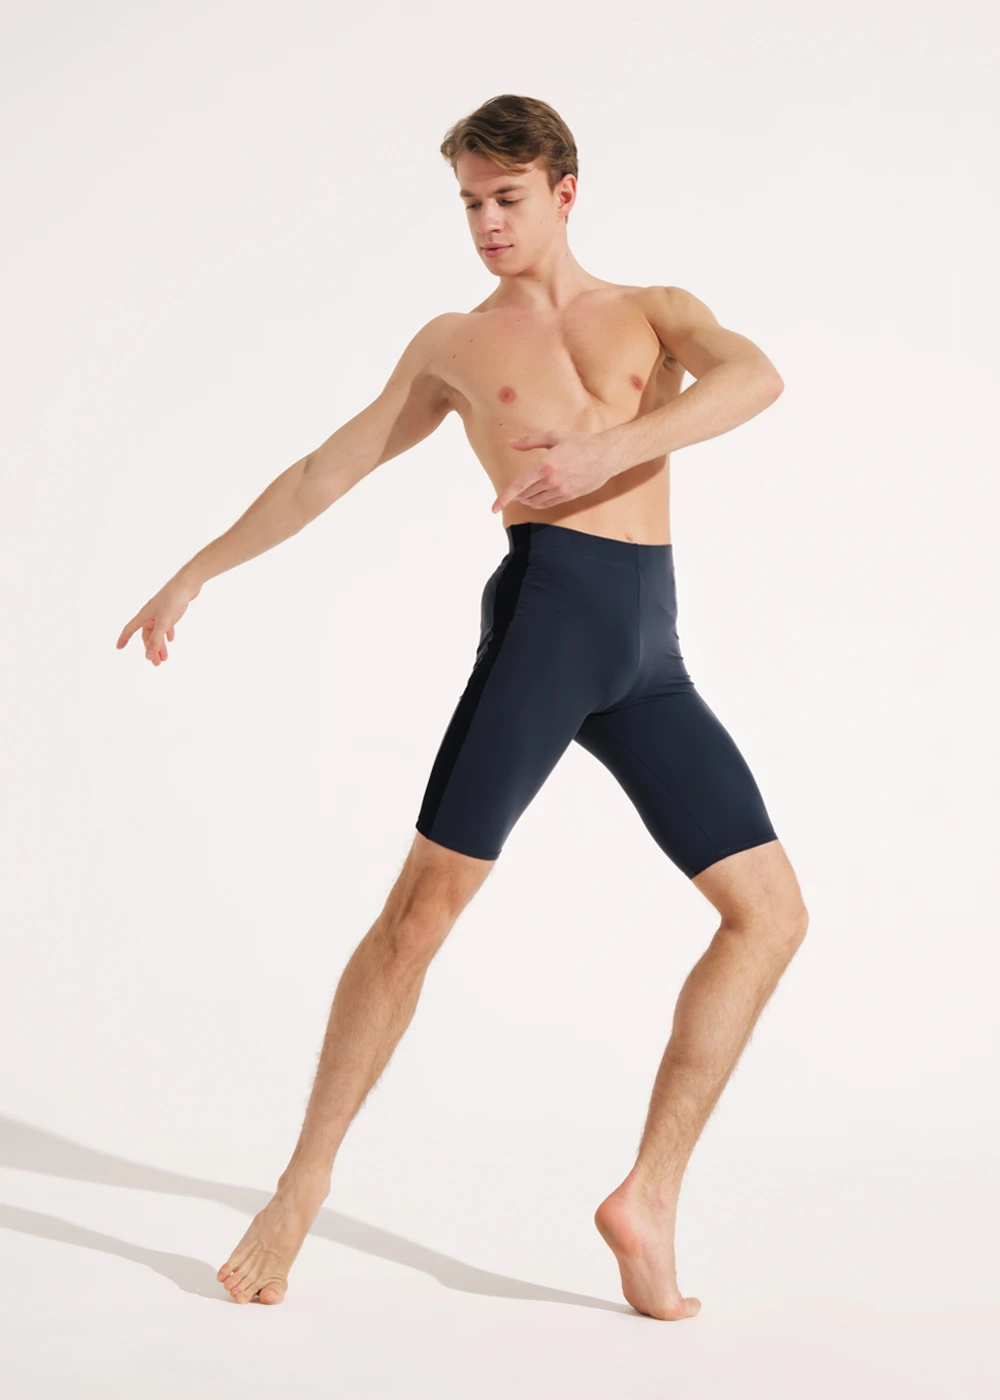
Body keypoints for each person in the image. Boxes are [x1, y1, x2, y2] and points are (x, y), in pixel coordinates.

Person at [116, 93, 808, 1321]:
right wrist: (196, 569)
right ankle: (301, 1184)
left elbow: (756, 378)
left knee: (770, 916)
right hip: (546, 626)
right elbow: (327, 467)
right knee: (419, 913)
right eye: (470, 203)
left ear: (564, 191)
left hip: (649, 654)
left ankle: (647, 1196)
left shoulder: (654, 310)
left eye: (507, 198)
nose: (487, 223)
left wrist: (605, 452)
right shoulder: (453, 343)